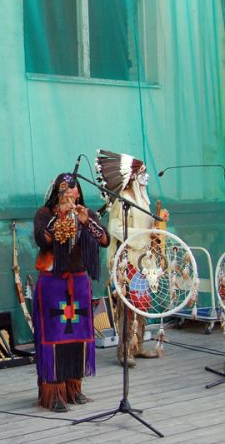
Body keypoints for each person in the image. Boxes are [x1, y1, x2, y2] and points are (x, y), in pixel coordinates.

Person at [33, 172, 109, 412]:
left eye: (73, 188)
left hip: (78, 283)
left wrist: (85, 220)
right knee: (54, 337)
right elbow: (43, 240)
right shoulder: (45, 214)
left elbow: (104, 240)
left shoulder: (88, 213)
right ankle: (53, 392)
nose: (69, 192)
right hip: (53, 283)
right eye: (64, 188)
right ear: (57, 192)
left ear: (79, 193)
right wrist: (61, 215)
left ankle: (74, 388)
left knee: (78, 335)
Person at [96, 149, 166, 367]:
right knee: (127, 305)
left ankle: (138, 345)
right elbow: (115, 227)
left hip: (143, 260)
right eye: (142, 172)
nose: (145, 176)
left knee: (141, 303)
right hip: (127, 260)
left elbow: (148, 227)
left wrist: (157, 225)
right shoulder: (123, 199)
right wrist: (142, 234)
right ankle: (124, 350)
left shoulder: (143, 199)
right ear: (133, 176)